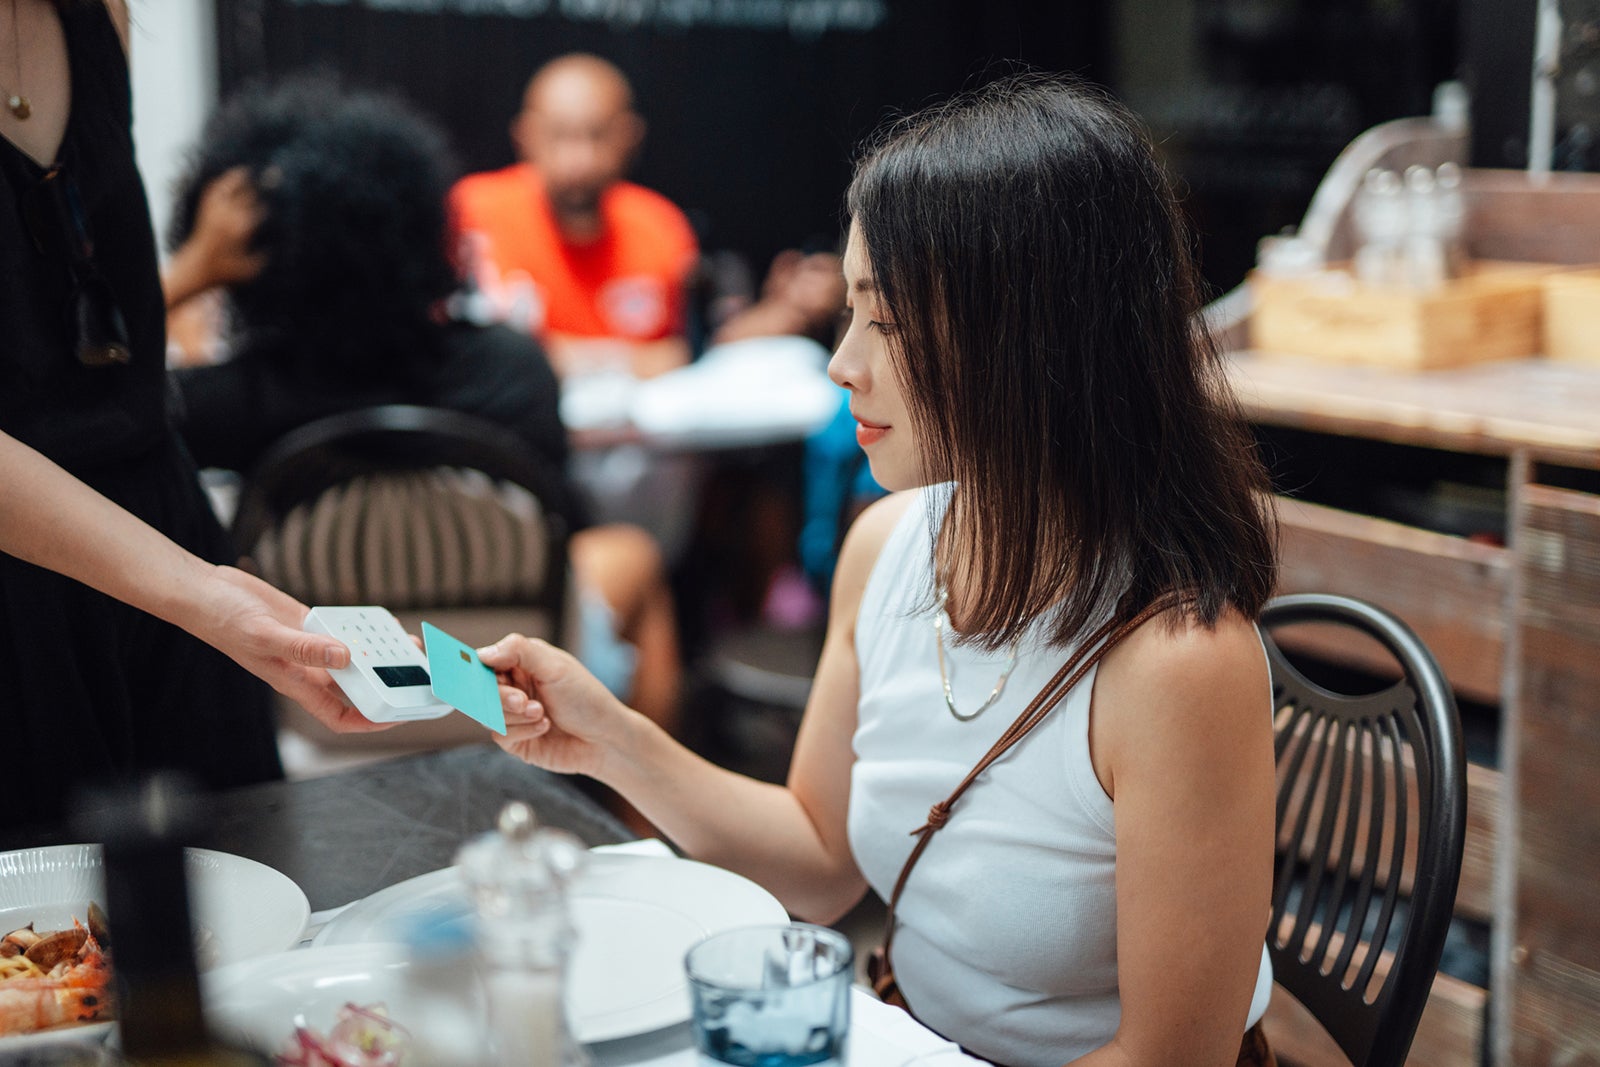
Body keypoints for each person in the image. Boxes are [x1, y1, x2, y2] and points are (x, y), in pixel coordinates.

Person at [478, 74, 1281, 1067]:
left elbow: (1170, 1056)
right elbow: (820, 859)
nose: (841, 363)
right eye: (848, 313)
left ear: (1029, 337)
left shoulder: (1177, 660)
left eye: (886, 323)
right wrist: (605, 735)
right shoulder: (889, 545)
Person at [164, 80, 681, 756]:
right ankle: (632, 818)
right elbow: (567, 529)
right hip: (498, 683)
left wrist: (192, 271)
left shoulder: (231, 399)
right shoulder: (511, 365)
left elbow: (96, 403)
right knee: (633, 556)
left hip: (325, 693)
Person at [0, 0, 372, 833]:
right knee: (50, 947)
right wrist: (202, 595)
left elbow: (70, 320)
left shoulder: (98, 18)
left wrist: (199, 590)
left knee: (250, 887)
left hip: (165, 530)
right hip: (26, 592)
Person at [449, 53, 697, 380]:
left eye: (598, 135)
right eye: (559, 135)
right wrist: (621, 362)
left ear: (630, 136)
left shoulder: (661, 226)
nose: (580, 159)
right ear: (526, 135)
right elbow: (475, 353)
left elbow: (674, 356)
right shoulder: (471, 213)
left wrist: (563, 358)